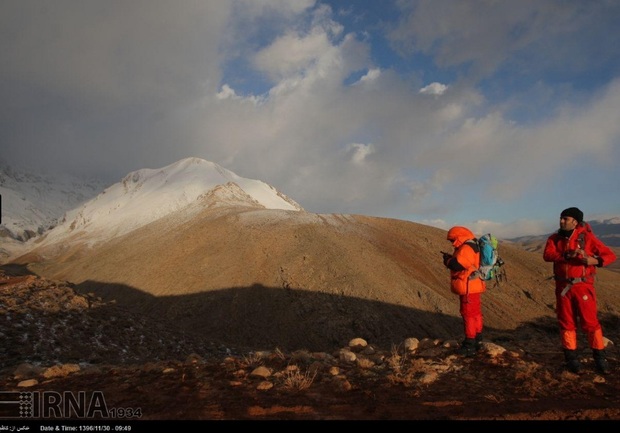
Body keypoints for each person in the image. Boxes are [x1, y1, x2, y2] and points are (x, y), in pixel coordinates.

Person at [543, 207, 617, 374]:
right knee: (566, 322)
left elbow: (610, 255)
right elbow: (547, 255)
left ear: (575, 222)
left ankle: (600, 358)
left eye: (566, 219)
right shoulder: (554, 238)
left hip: (583, 286)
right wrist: (566, 256)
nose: (561, 221)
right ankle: (571, 359)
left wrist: (594, 260)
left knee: (590, 322)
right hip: (563, 287)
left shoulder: (587, 238)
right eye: (561, 218)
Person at [442, 226, 486, 357]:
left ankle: (470, 344)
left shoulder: (466, 248)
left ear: (459, 237)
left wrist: (447, 260)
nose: (453, 243)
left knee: (468, 315)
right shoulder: (471, 245)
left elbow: (458, 265)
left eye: (453, 240)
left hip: (468, 287)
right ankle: (478, 340)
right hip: (473, 286)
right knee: (475, 313)